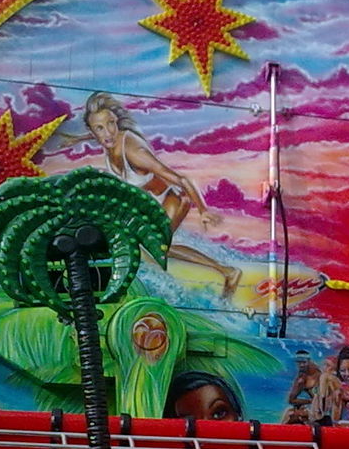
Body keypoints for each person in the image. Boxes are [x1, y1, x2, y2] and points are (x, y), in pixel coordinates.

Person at [81, 92, 240, 296]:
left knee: (157, 247)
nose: (108, 132)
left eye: (111, 123)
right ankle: (220, 273)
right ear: (92, 131)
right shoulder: (108, 143)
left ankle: (227, 272)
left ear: (117, 121)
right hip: (151, 206)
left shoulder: (134, 152)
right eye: (100, 128)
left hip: (171, 199)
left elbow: (182, 179)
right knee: (146, 247)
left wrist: (203, 210)